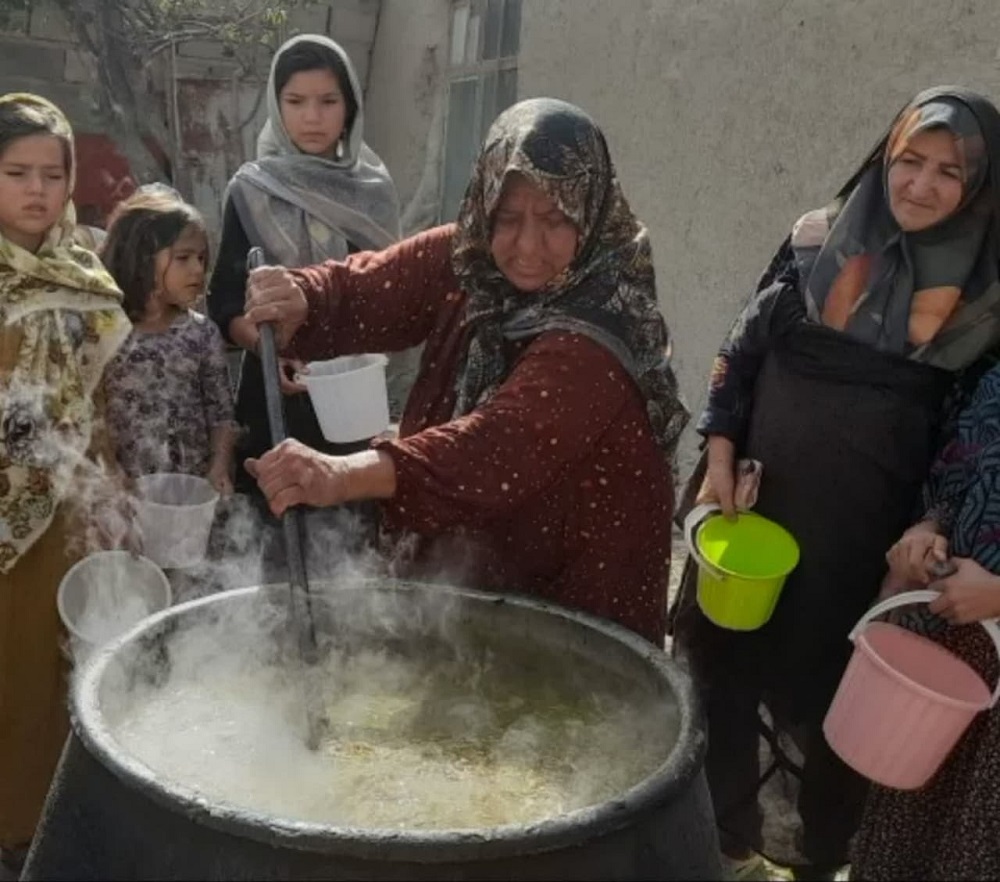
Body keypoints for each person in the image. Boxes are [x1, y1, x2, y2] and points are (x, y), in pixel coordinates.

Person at [668, 86, 1000, 879]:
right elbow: (738, 354)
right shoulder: (815, 242)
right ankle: (715, 846)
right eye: (908, 160)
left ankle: (814, 860)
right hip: (755, 515)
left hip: (863, 546)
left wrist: (927, 531)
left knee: (829, 712)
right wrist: (719, 457)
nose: (918, 185)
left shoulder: (984, 309)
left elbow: (968, 445)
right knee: (721, 674)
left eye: (948, 172)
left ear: (981, 188)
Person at [241, 97, 689, 645]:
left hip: (579, 573)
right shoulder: (472, 259)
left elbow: (493, 448)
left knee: (564, 703)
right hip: (485, 560)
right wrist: (303, 295)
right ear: (484, 205)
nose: (527, 246)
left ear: (590, 211)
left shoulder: (603, 327)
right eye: (508, 218)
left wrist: (340, 475)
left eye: (554, 220)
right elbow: (376, 286)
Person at [0, 93, 131, 872]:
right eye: (15, 173)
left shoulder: (87, 278)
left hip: (61, 513)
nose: (36, 190)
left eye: (52, 174)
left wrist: (110, 488)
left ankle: (27, 832)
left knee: (45, 677)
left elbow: (98, 401)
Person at [208, 34, 401, 500]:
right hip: (274, 392)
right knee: (275, 520)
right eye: (295, 101)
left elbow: (394, 290)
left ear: (350, 109)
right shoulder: (252, 190)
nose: (311, 117)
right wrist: (269, 350)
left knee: (353, 528)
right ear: (277, 107)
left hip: (352, 391)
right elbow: (226, 300)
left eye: (327, 101)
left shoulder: (372, 193)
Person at [847, 363, 1000, 880]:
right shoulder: (994, 373)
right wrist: (927, 528)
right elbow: (958, 469)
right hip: (951, 649)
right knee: (906, 832)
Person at [100, 186, 236, 494]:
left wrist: (219, 466)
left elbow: (221, 414)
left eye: (201, 258)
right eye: (183, 258)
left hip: (193, 494)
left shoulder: (200, 334)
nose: (198, 270)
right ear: (141, 258)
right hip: (127, 498)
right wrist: (112, 483)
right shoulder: (105, 333)